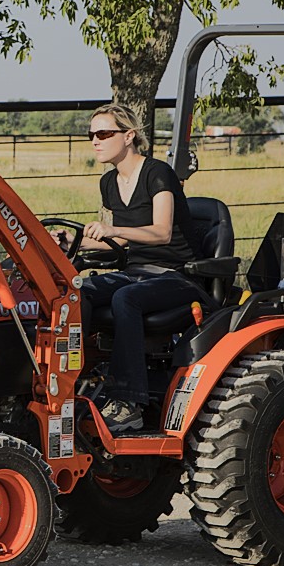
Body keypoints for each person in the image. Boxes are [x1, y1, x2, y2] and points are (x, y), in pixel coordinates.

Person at [78, 102, 209, 435]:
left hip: (177, 276)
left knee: (126, 298)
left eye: (104, 133)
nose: (95, 140)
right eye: (91, 134)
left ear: (129, 136)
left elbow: (160, 232)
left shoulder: (157, 173)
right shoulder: (109, 183)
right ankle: (74, 380)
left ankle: (128, 403)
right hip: (135, 272)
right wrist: (71, 242)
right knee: (78, 292)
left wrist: (113, 230)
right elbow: (117, 243)